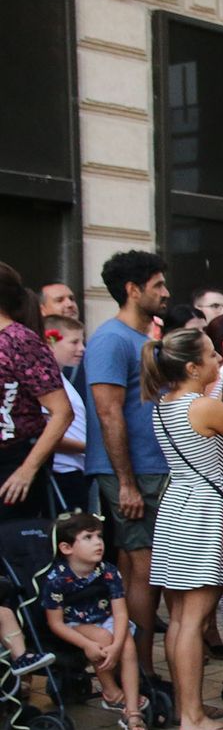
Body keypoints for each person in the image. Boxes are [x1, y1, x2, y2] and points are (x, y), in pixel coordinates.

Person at [142, 327, 223, 730]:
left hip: (178, 507)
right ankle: (192, 719)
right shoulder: (202, 406)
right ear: (192, 366)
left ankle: (191, 707)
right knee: (194, 618)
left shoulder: (162, 405)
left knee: (183, 617)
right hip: (203, 511)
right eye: (211, 355)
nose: (218, 360)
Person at [84, 250, 170, 685]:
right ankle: (146, 676)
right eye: (157, 285)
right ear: (133, 290)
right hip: (135, 474)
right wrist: (125, 483)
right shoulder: (110, 340)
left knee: (156, 570)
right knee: (142, 568)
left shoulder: (144, 340)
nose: (165, 292)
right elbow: (108, 412)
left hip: (157, 468)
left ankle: (150, 673)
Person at [42, 513, 143, 730]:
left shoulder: (108, 571)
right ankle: (111, 692)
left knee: (126, 645)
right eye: (88, 537)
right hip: (72, 624)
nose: (98, 542)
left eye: (99, 536)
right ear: (67, 548)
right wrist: (86, 645)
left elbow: (120, 612)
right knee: (102, 638)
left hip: (104, 618)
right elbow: (56, 624)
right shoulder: (57, 579)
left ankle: (133, 710)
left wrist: (117, 645)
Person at [0, 263, 73, 521]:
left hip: (13, 459)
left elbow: (62, 411)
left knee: (14, 552)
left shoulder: (19, 339)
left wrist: (27, 469)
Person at [43, 316, 89, 512]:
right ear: (50, 342)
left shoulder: (61, 380)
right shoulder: (46, 383)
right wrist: (88, 448)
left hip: (76, 468)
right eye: (74, 342)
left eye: (82, 342)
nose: (82, 349)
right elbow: (48, 432)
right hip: (62, 470)